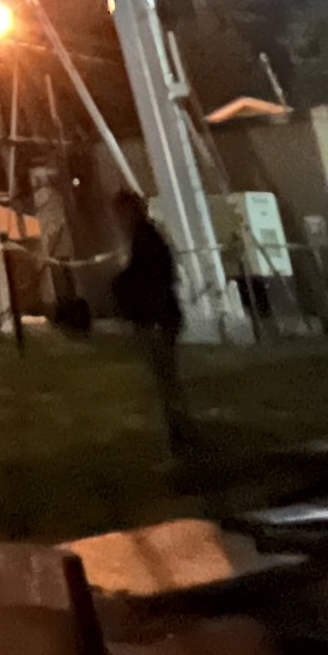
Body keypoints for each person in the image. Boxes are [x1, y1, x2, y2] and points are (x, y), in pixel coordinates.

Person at [111, 188, 191, 456]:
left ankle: (179, 435)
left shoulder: (146, 239)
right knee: (166, 379)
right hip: (161, 317)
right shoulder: (147, 236)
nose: (118, 220)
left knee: (165, 379)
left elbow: (152, 278)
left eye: (121, 213)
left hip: (158, 319)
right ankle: (179, 431)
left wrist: (123, 287)